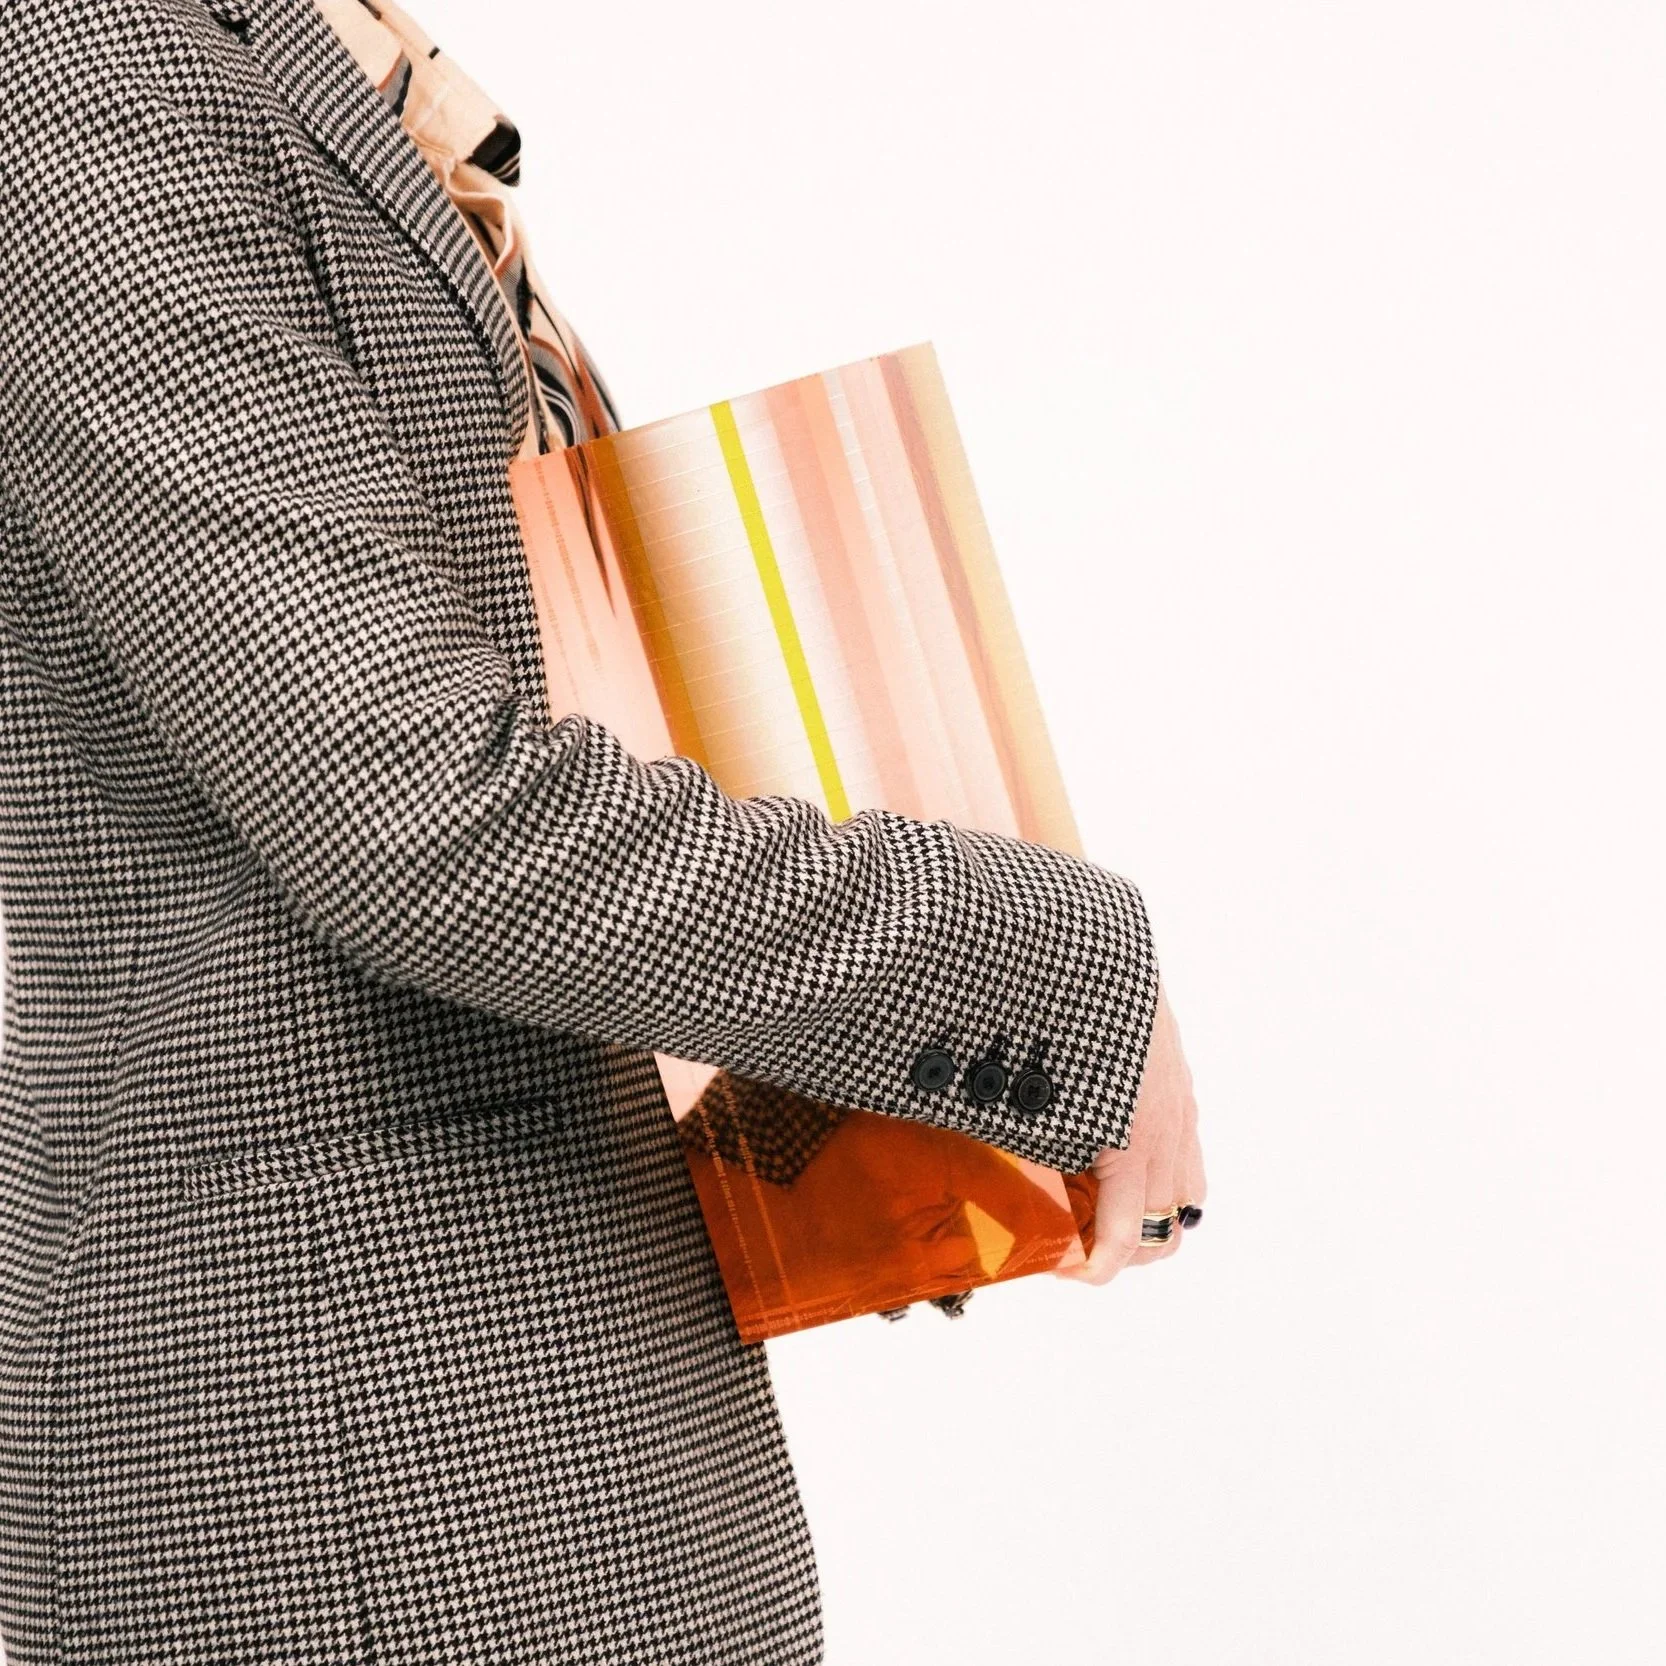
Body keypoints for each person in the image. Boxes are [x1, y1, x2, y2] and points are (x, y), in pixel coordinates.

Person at [0, 0, 1205, 1659]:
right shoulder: (82, 67)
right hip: (357, 1449)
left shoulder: (274, 33)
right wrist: (1036, 974)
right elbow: (416, 808)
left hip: (552, 1379)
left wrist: (861, 1074)